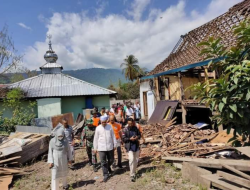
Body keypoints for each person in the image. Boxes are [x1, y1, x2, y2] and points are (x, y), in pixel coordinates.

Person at [93, 116, 117, 182]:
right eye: (102, 122)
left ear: (106, 121)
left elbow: (113, 135)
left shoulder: (109, 127)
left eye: (105, 122)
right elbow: (95, 138)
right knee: (103, 162)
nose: (104, 123)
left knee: (111, 160)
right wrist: (95, 148)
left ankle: (108, 167)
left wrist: (115, 144)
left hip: (110, 147)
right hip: (101, 148)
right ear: (101, 122)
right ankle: (105, 175)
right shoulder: (98, 128)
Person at [122, 118, 141, 182]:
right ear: (127, 123)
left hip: (136, 146)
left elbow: (139, 135)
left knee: (136, 160)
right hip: (129, 146)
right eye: (129, 123)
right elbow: (124, 139)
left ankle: (134, 171)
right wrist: (130, 139)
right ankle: (132, 174)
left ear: (133, 123)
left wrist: (136, 137)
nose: (130, 125)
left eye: (131, 123)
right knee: (131, 159)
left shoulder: (135, 128)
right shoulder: (125, 129)